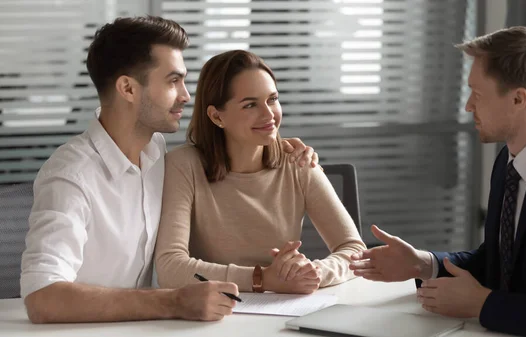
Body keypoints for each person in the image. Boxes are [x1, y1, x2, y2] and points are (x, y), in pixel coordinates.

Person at [20, 16, 318, 324]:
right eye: (173, 81)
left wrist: (277, 145)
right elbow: (43, 298)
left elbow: (217, 150)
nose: (186, 95)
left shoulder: (156, 152)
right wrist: (174, 300)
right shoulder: (71, 175)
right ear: (128, 88)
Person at [350, 26, 526, 337]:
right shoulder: (510, 160)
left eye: (477, 94)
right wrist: (423, 264)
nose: (468, 106)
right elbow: (499, 263)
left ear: (519, 99)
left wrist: (484, 305)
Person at [154, 50, 366, 294]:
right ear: (216, 116)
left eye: (273, 99)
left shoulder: (297, 161)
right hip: (212, 313)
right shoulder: (184, 165)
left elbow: (354, 249)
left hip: (282, 308)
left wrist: (314, 273)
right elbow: (170, 268)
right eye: (250, 104)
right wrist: (262, 279)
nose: (269, 115)